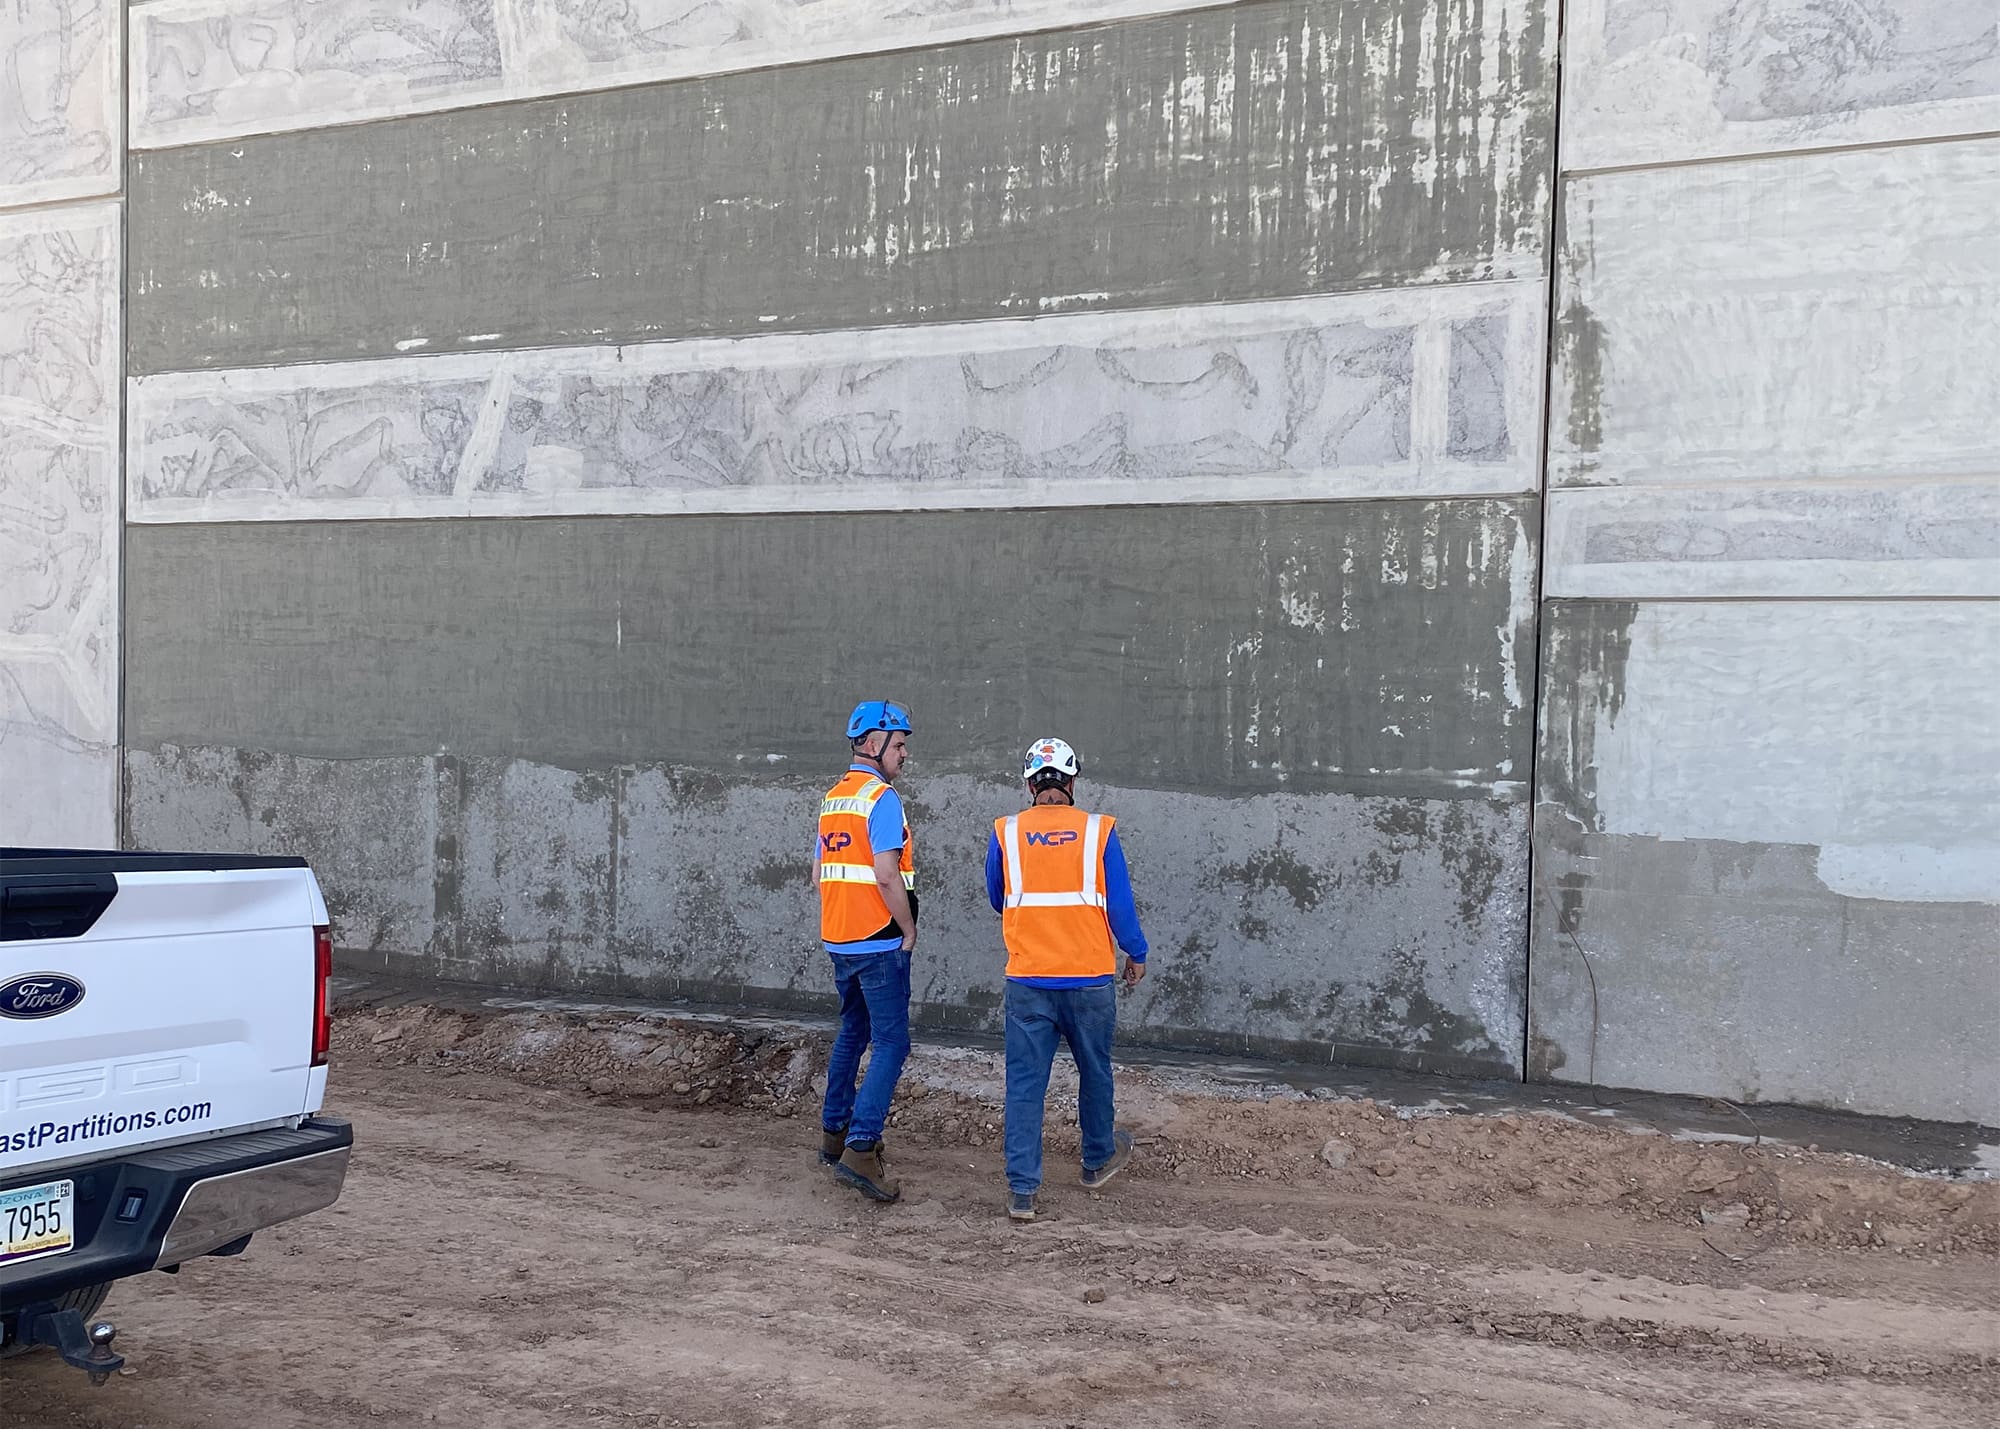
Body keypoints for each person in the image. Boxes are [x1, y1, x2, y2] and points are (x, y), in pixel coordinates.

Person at [985, 737, 1147, 1222]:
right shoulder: (1098, 830)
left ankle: (1022, 1191)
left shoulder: (1006, 832)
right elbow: (1118, 903)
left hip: (1029, 979)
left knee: (1025, 1084)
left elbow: (999, 896)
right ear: (1071, 781)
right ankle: (1097, 1160)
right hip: (1088, 979)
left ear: (1032, 783)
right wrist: (1135, 952)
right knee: (1095, 1071)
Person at [816, 699, 918, 1203]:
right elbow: (885, 872)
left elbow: (818, 875)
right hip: (878, 939)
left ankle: (834, 1133)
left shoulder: (834, 798)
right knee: (893, 1042)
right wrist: (908, 926)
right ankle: (860, 1149)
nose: (904, 754)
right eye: (899, 745)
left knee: (852, 1031)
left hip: (840, 938)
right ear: (874, 744)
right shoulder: (882, 798)